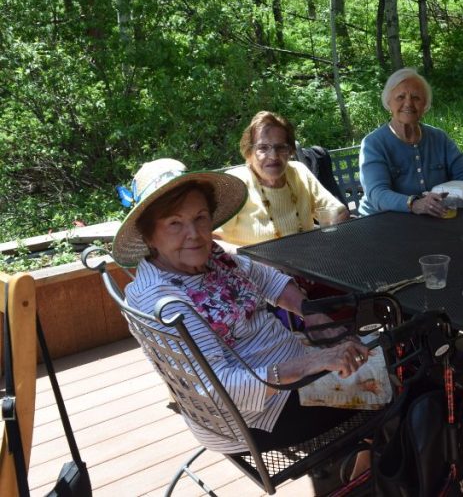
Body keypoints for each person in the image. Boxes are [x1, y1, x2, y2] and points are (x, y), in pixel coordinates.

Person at [112, 159, 370, 455]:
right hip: (258, 416)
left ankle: (359, 452)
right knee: (398, 373)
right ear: (148, 235)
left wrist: (312, 315)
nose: (194, 234)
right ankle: (369, 458)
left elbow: (268, 279)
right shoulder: (164, 301)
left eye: (200, 218)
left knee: (366, 354)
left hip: (286, 374)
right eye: (174, 223)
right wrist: (314, 363)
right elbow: (218, 390)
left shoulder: (211, 258)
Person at [358, 68, 463, 217]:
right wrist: (413, 204)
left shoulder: (439, 138)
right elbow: (377, 194)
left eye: (416, 98)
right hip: (381, 222)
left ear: (425, 105)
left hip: (431, 219)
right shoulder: (373, 144)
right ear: (388, 102)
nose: (408, 103)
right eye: (400, 97)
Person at [216, 111, 349, 248]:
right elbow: (214, 239)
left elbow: (339, 212)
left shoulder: (298, 172)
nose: (273, 156)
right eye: (263, 148)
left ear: (290, 151)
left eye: (281, 147)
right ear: (248, 153)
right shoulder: (234, 183)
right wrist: (248, 260)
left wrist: (325, 240)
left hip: (308, 260)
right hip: (254, 267)